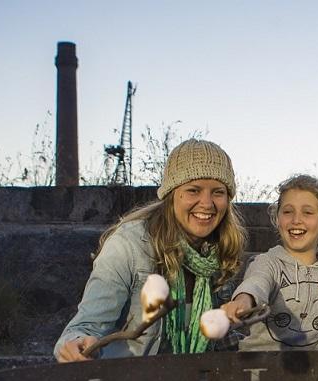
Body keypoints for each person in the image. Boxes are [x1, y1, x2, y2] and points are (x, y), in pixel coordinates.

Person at [54, 139, 246, 361]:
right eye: (193, 190)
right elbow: (86, 326)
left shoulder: (219, 251)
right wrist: (77, 344)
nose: (207, 203)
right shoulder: (128, 245)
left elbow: (220, 340)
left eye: (218, 192)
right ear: (172, 194)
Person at [220, 174, 318, 350]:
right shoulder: (265, 262)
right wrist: (242, 302)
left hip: (316, 372)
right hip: (259, 369)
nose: (296, 220)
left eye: (307, 212)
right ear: (277, 219)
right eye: (287, 211)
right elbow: (256, 283)